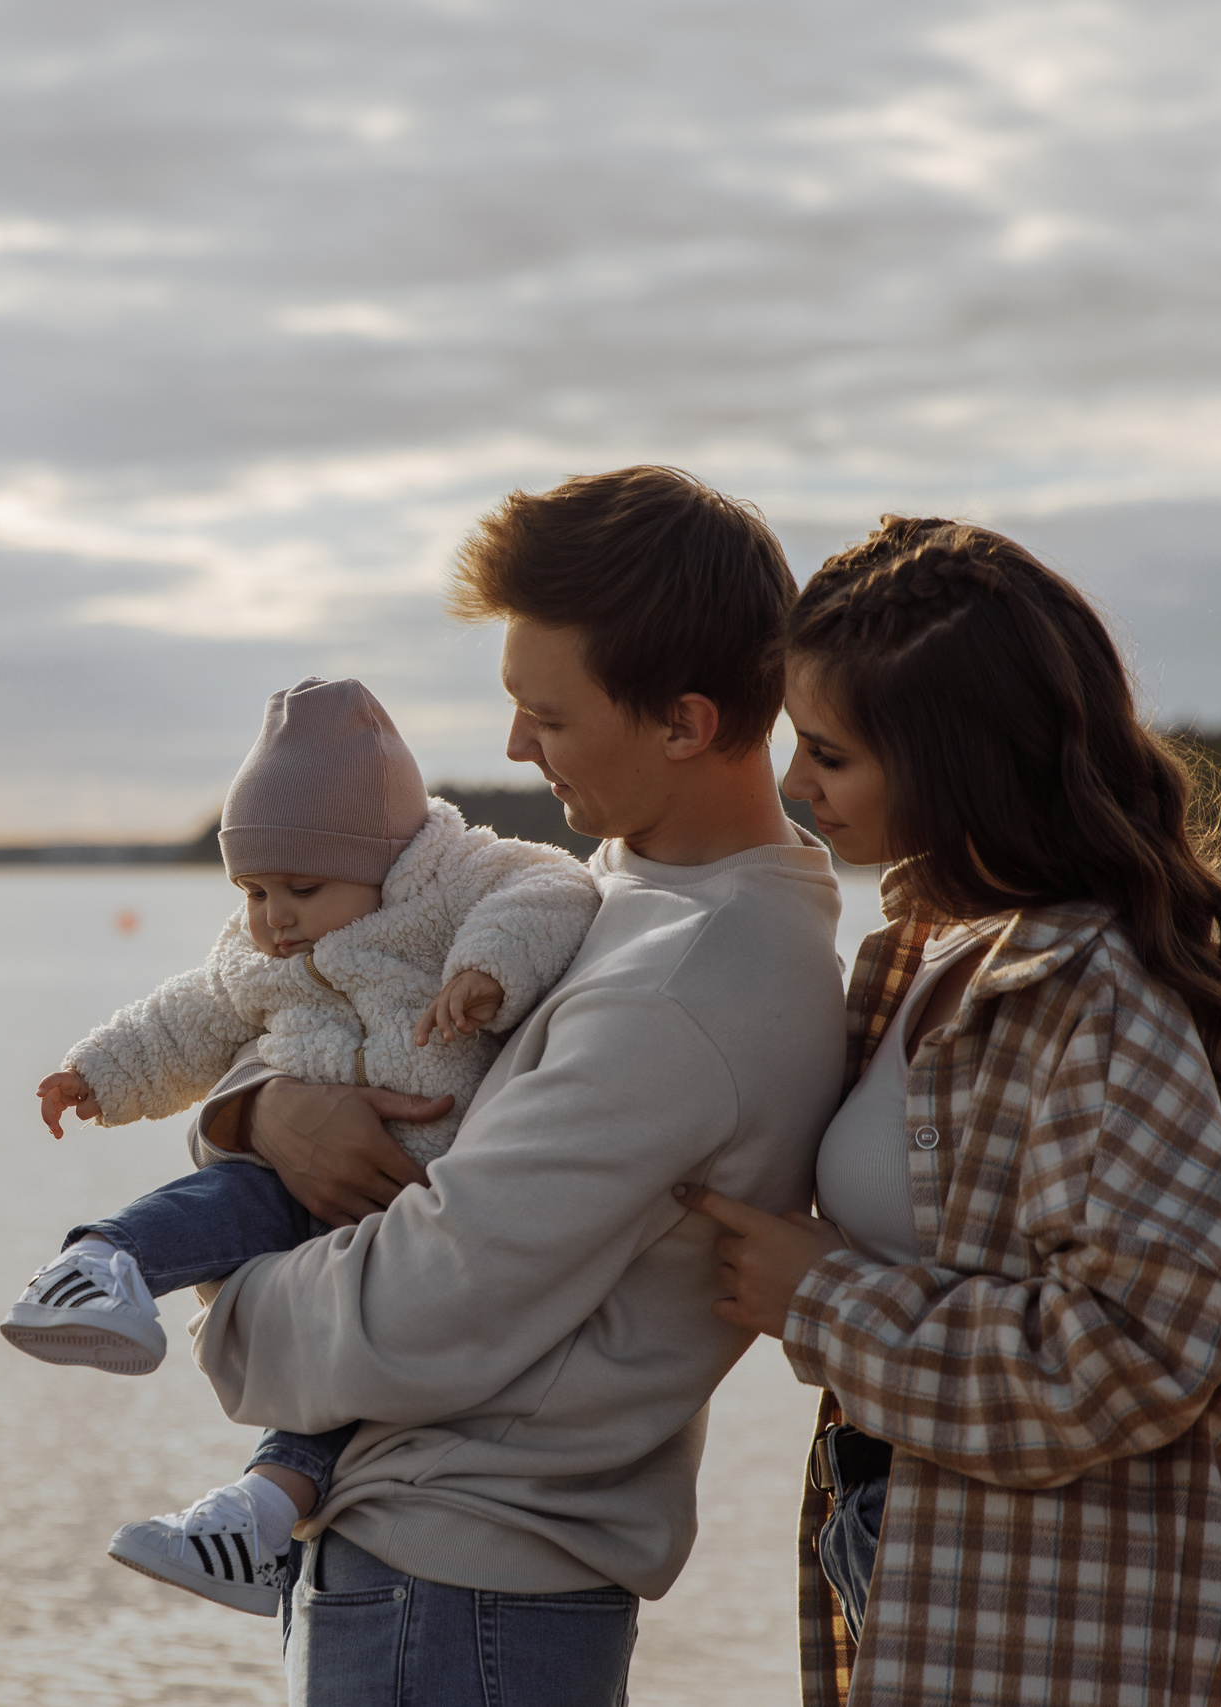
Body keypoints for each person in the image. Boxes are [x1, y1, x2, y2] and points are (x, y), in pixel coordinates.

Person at [188, 466, 849, 1704]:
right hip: (428, 1572)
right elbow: (324, 1004)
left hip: (465, 1595)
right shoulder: (609, 895)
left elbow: (426, 1303)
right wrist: (265, 1112)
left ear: (685, 724)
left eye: (544, 715)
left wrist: (223, 1307)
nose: (510, 746)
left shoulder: (690, 980)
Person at [693, 516, 1221, 1706]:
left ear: (955, 758)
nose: (792, 785)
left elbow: (1153, 1345)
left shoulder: (1091, 998)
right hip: (936, 1578)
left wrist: (822, 1299)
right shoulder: (920, 959)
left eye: (828, 755)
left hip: (1070, 1634)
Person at [2, 674, 601, 1613]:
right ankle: (105, 1265)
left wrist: (488, 969)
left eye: (301, 888)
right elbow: (184, 1020)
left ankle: (258, 1513)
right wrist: (96, 1075)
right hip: (297, 1179)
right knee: (234, 1198)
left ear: (385, 858)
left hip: (415, 1191)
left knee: (359, 1377)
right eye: (254, 890)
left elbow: (553, 887)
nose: (274, 916)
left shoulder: (450, 888)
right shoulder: (259, 955)